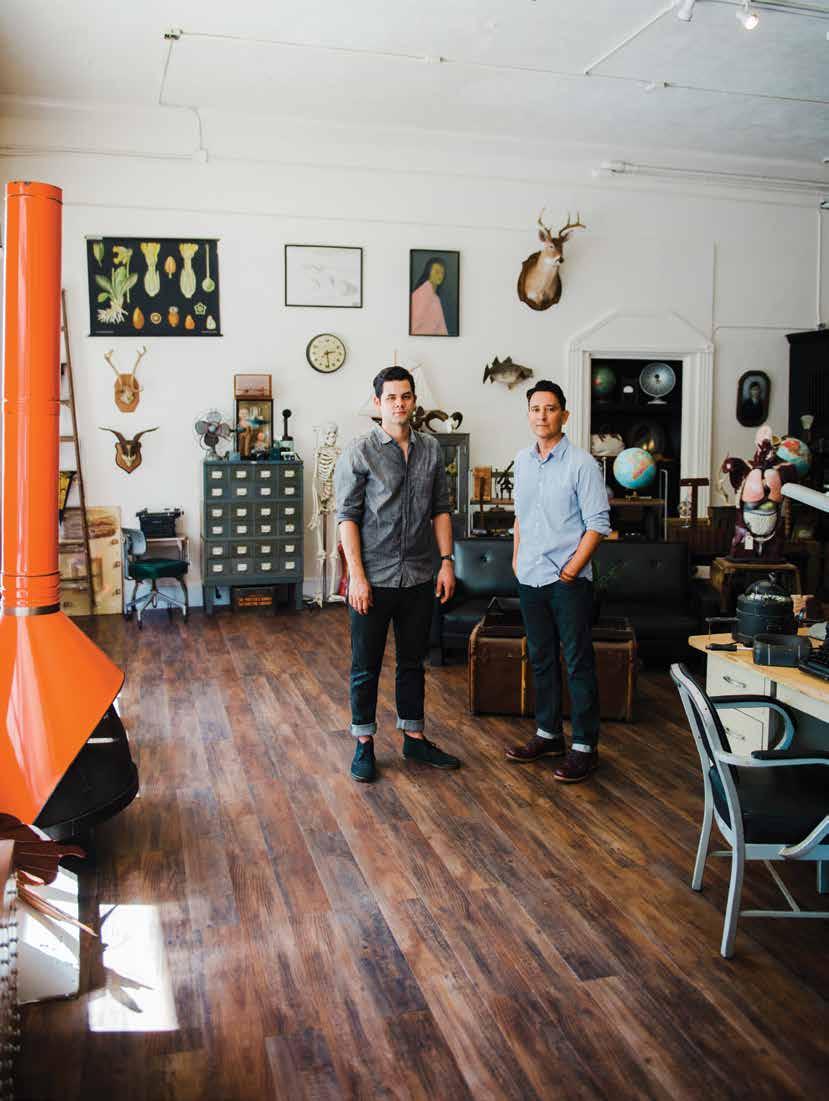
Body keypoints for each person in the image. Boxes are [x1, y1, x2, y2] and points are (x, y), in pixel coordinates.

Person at [335, 366, 460, 782]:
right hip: (373, 577)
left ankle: (414, 737)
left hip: (420, 574)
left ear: (414, 401)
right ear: (378, 403)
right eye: (391, 397)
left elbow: (441, 509)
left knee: (412, 662)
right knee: (365, 665)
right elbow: (347, 518)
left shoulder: (431, 449)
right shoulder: (360, 451)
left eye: (405, 396)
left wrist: (447, 562)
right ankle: (364, 742)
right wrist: (356, 576)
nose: (399, 404)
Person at [506, 381, 611, 783]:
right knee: (541, 658)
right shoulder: (522, 460)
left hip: (568, 582)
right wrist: (517, 559)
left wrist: (571, 570)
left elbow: (597, 524)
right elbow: (521, 517)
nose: (542, 416)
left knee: (578, 661)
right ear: (528, 414)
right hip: (530, 576)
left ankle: (584, 747)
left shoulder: (582, 464)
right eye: (536, 409)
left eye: (550, 409)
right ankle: (548, 735)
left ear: (564, 415)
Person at [410, 257, 449, 336]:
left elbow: (441, 328)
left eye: (442, 273)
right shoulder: (421, 293)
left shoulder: (436, 298)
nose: (440, 275)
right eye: (437, 272)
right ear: (428, 273)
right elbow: (413, 324)